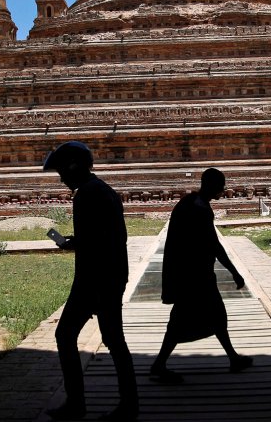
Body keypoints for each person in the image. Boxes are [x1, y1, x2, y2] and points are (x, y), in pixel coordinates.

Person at [43, 141, 138, 421]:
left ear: (74, 166)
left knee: (71, 336)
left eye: (62, 170)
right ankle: (126, 404)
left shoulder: (86, 195)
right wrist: (75, 242)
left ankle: (80, 404)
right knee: (114, 340)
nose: (60, 178)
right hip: (109, 277)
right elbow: (105, 238)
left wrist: (93, 287)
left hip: (95, 280)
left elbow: (99, 244)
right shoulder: (102, 190)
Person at [150, 168, 253, 383]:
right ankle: (159, 364)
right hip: (194, 276)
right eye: (221, 185)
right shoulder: (199, 209)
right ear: (212, 185)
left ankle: (233, 358)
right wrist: (234, 272)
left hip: (193, 272)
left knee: (215, 315)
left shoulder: (191, 203)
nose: (223, 189)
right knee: (183, 320)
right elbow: (213, 245)